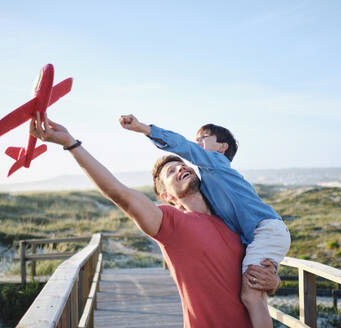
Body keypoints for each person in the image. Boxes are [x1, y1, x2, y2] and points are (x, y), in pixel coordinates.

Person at [29, 113, 278, 328]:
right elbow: (120, 194)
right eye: (171, 172)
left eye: (182, 165)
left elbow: (258, 277)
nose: (181, 168)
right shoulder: (170, 223)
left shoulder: (232, 224)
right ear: (166, 196)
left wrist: (274, 281)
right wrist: (72, 144)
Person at [119, 115, 291, 328]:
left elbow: (184, 147)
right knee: (254, 290)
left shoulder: (217, 164)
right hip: (263, 234)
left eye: (204, 138)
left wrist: (145, 129)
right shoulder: (212, 193)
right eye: (197, 138)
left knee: (252, 297)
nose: (197, 142)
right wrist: (273, 279)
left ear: (222, 148)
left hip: (267, 229)